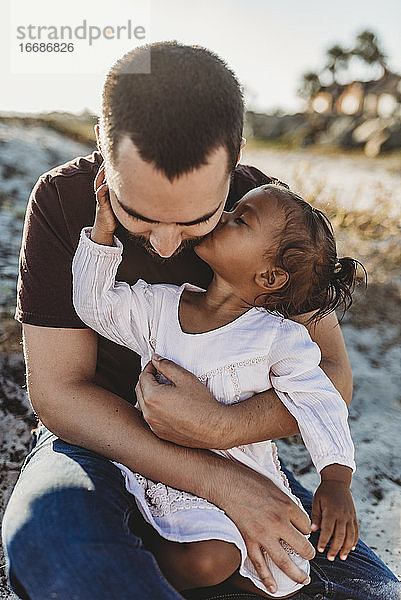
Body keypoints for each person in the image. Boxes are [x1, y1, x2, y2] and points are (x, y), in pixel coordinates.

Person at [2, 41, 400, 600]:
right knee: (51, 539)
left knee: (374, 591)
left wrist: (219, 432)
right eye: (137, 215)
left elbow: (330, 375)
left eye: (196, 221)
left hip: (240, 455)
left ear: (234, 157)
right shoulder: (64, 201)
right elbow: (58, 394)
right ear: (102, 146)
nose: (166, 247)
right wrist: (218, 480)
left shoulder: (266, 218)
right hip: (97, 441)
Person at [71, 180, 359, 598]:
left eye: (239, 219)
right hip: (167, 471)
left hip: (247, 475)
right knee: (210, 559)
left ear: (270, 276)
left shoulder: (278, 338)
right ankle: (141, 566)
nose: (221, 216)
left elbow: (320, 401)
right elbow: (95, 305)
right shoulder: (161, 307)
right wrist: (102, 233)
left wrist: (336, 480)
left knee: (288, 574)